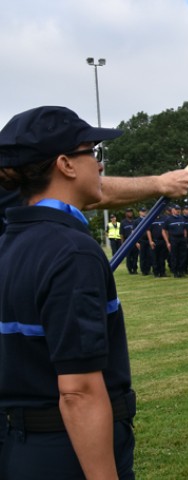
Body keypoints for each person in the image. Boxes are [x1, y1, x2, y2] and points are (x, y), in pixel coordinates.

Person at [0, 106, 157, 478]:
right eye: (93, 153)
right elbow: (79, 391)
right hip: (64, 450)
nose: (100, 166)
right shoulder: (71, 251)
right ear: (66, 165)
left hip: (17, 446)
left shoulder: (10, 243)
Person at [163, 204, 188, 278]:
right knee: (174, 256)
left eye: (179, 209)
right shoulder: (168, 219)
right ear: (173, 210)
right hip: (173, 239)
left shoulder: (182, 218)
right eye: (176, 209)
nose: (178, 211)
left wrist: (185, 239)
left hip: (182, 239)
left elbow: (184, 229)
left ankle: (181, 271)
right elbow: (164, 230)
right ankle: (175, 272)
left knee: (182, 256)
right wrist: (167, 242)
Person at [120, 208, 138, 274]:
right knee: (129, 257)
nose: (130, 213)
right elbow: (121, 234)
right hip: (127, 242)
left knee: (135, 256)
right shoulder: (123, 222)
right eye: (128, 212)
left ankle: (135, 269)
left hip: (134, 241)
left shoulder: (134, 221)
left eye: (131, 212)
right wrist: (122, 244)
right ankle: (130, 269)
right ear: (126, 213)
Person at [137, 207, 153, 275]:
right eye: (142, 211)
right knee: (143, 256)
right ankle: (143, 270)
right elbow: (134, 232)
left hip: (148, 240)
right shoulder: (137, 221)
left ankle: (148, 269)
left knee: (149, 255)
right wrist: (136, 242)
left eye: (145, 211)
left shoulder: (148, 220)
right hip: (141, 240)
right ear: (139, 212)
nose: (144, 213)